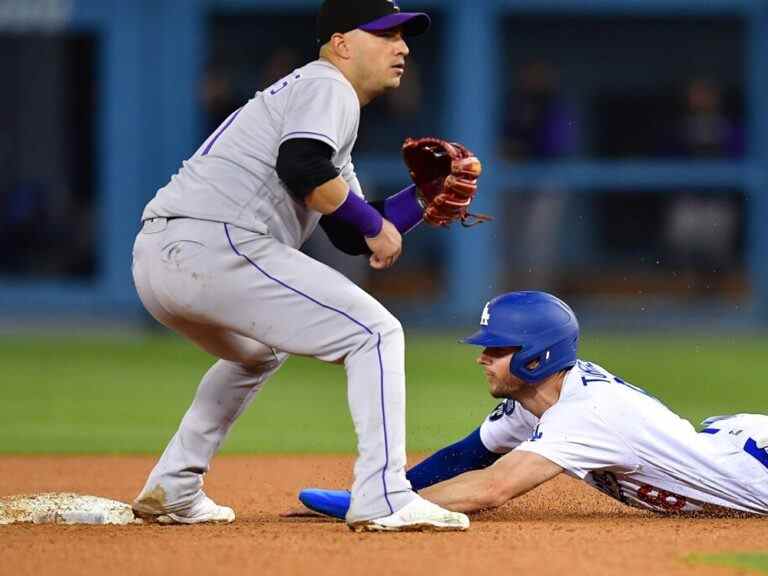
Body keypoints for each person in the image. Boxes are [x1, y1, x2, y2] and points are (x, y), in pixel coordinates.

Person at [131, 0, 469, 533]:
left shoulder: (317, 104)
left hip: (162, 257)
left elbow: (348, 229)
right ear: (341, 43)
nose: (401, 46)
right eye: (385, 34)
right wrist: (377, 227)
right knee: (376, 333)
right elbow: (302, 167)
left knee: (257, 354)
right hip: (217, 243)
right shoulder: (327, 86)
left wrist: (417, 199)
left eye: (404, 36)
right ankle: (383, 494)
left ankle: (175, 486)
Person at [299, 291, 768, 519]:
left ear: (536, 356)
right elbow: (468, 455)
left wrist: (379, 506)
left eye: (496, 349)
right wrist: (389, 489)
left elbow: (489, 490)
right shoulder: (539, 397)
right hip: (728, 444)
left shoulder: (585, 415)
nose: (482, 357)